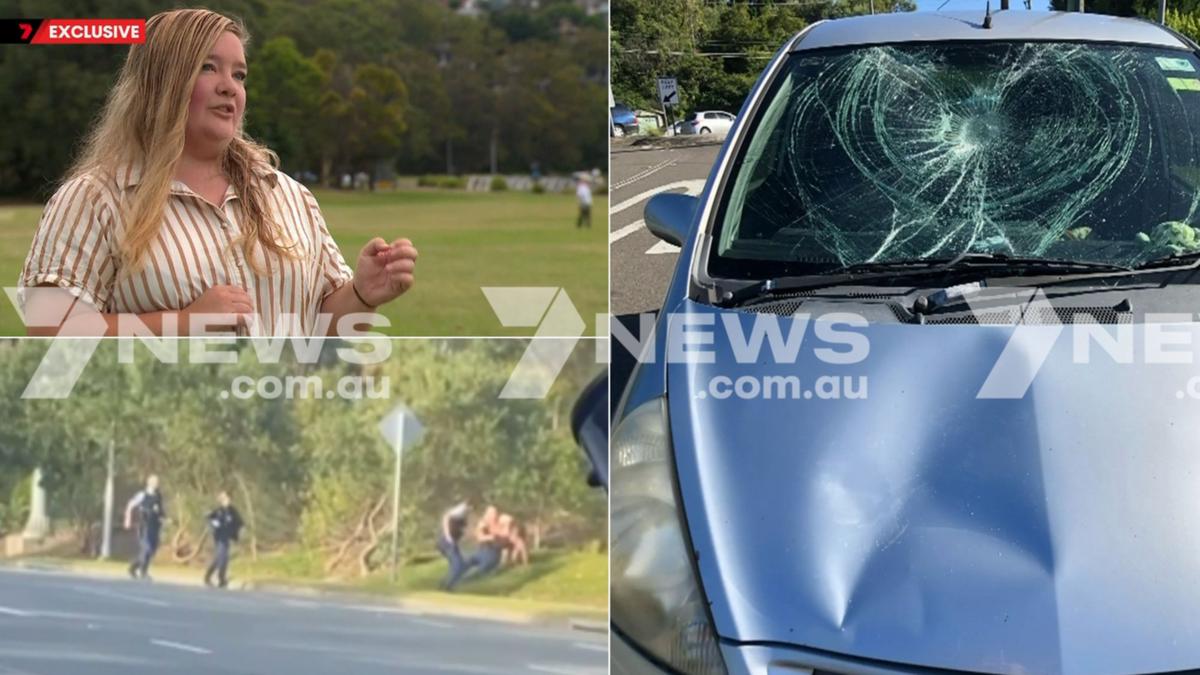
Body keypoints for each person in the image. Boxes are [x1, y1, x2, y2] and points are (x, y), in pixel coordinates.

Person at [18, 8, 418, 337]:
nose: (230, 87)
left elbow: (322, 331)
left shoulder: (289, 196)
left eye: (239, 75)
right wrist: (182, 323)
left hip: (283, 424)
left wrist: (363, 295)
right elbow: (48, 331)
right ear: (161, 82)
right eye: (208, 68)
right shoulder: (94, 199)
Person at [124, 475, 167, 580]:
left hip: (155, 526)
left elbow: (160, 511)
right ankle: (141, 571)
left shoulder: (158, 496)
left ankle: (136, 568)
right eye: (154, 482)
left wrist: (164, 519)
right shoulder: (142, 495)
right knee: (146, 548)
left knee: (152, 550)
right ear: (149, 482)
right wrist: (127, 519)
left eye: (157, 482)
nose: (156, 484)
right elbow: (130, 505)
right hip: (144, 525)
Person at [204, 490, 243, 588]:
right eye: (224, 499)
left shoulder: (232, 510)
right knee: (222, 557)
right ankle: (221, 578)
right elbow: (210, 518)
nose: (226, 500)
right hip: (219, 537)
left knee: (220, 558)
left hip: (227, 537)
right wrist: (214, 523)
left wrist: (237, 533)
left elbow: (239, 522)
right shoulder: (218, 511)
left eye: (227, 498)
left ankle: (209, 576)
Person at [436, 500, 470, 591]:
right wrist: (448, 535)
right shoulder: (462, 508)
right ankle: (448, 586)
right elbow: (446, 517)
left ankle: (444, 584)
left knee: (460, 565)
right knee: (458, 565)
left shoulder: (465, 513)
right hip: (447, 542)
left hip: (451, 542)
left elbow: (461, 529)